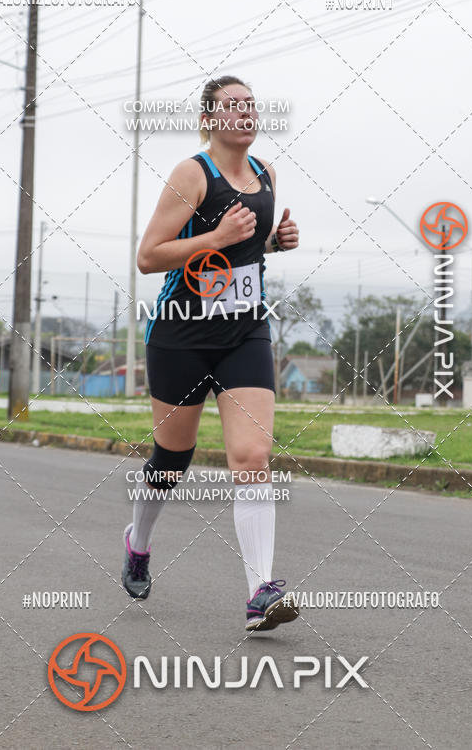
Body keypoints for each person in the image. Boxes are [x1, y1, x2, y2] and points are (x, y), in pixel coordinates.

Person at [121, 75, 300, 631]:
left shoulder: (267, 173)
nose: (245, 113)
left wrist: (273, 241)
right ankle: (138, 543)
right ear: (210, 118)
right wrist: (216, 238)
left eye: (252, 104)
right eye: (233, 106)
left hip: (244, 333)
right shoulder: (191, 174)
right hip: (181, 335)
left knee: (251, 456)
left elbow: (244, 251)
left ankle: (259, 593)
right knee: (172, 460)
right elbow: (149, 257)